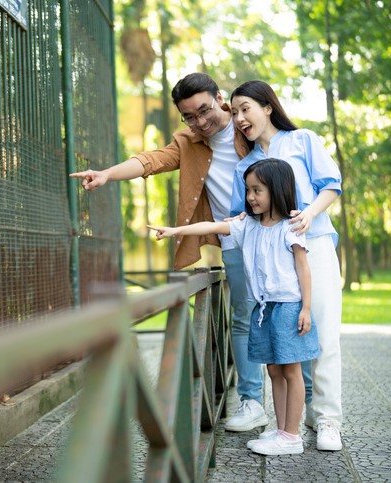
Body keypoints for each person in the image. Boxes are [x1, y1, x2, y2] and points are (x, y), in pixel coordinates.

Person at [70, 73, 268, 432]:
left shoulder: (248, 126)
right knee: (244, 318)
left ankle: (311, 402)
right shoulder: (189, 142)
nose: (200, 122)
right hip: (236, 241)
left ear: (219, 97)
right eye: (189, 116)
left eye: (204, 110)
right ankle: (252, 402)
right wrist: (107, 175)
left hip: (275, 235)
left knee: (294, 314)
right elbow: (151, 160)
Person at [149, 158, 319, 456]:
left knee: (291, 371)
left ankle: (292, 436)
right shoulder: (246, 226)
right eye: (248, 190)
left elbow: (303, 269)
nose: (251, 196)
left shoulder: (292, 226)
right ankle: (281, 431)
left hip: (289, 307)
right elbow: (212, 225)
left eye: (258, 190)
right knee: (274, 371)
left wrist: (306, 307)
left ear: (277, 189)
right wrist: (176, 231)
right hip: (263, 309)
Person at [230, 80, 343, 451]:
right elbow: (241, 216)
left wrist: (308, 215)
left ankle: (326, 419)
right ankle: (286, 425)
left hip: (316, 244)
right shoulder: (244, 165)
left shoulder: (303, 140)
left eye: (245, 108)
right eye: (234, 112)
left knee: (323, 334)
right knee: (282, 343)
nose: (240, 118)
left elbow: (331, 184)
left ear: (267, 107)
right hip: (273, 259)